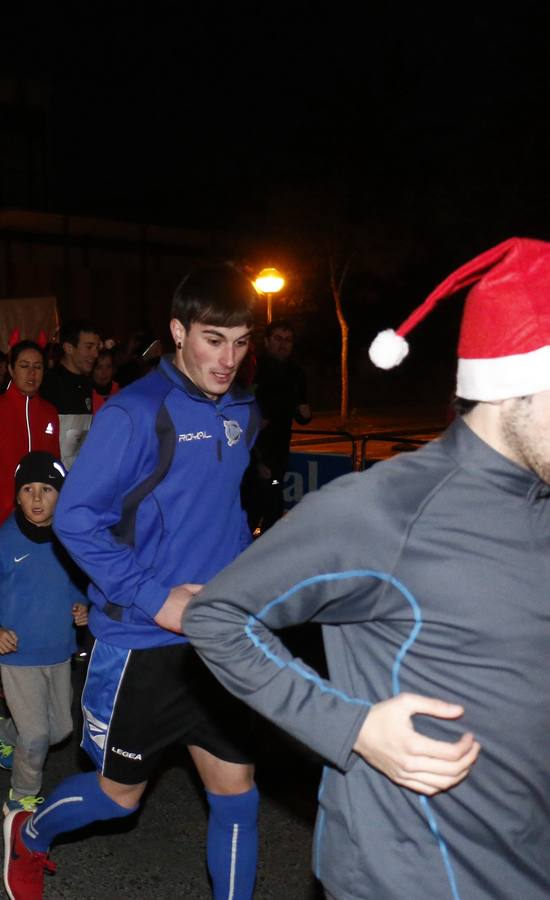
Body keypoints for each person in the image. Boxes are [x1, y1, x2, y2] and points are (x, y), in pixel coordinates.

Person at [184, 238, 550, 900]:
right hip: (413, 879)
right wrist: (349, 726)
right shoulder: (389, 509)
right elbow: (217, 615)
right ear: (512, 384)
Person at [3, 266, 261, 900]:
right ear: (178, 332)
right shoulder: (135, 410)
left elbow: (224, 509)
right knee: (119, 798)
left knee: (238, 795)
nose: (228, 358)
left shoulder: (246, 407)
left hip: (217, 638)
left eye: (240, 341)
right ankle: (28, 836)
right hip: (141, 641)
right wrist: (156, 596)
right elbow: (75, 518)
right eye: (212, 339)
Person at [0, 452, 88, 814]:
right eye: (28, 489)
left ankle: (2, 731)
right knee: (37, 737)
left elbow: (76, 583)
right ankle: (21, 797)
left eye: (47, 490)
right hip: (17, 653)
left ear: (61, 494)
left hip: (58, 650)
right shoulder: (4, 542)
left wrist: (82, 605)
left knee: (60, 731)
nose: (37, 498)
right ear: (17, 496)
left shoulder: (70, 539)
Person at [0, 340, 60, 696]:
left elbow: (56, 472)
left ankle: (29, 666)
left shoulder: (49, 412)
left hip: (42, 525)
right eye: (25, 366)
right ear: (10, 368)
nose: (32, 373)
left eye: (38, 367)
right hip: (0, 527)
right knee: (0, 599)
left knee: (33, 598)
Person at [245, 321, 311, 533]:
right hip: (251, 452)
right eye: (278, 339)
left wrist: (304, 415)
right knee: (252, 507)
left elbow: (300, 411)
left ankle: (262, 558)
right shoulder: (252, 370)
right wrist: (257, 460)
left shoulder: (297, 374)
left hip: (279, 452)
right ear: (267, 341)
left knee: (273, 508)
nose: (283, 345)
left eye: (288, 340)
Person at [39, 320, 100, 467]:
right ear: (68, 348)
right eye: (89, 347)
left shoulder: (86, 383)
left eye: (97, 347)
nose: (95, 354)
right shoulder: (50, 384)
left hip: (78, 472)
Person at [91, 347, 121, 413]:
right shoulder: (86, 394)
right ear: (92, 369)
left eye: (108, 367)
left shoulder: (119, 393)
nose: (104, 372)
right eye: (99, 367)